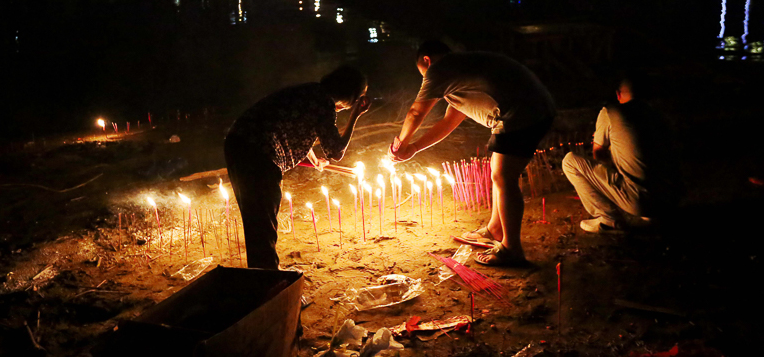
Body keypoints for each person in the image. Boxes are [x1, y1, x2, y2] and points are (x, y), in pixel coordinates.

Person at [389, 41, 555, 267]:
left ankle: (511, 248)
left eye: (422, 73)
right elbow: (449, 121)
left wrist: (400, 144)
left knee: (504, 177)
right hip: (530, 110)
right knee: (500, 175)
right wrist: (414, 148)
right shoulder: (462, 74)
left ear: (427, 60)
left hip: (521, 114)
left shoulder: (441, 68)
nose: (425, 79)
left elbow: (416, 111)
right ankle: (496, 229)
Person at [224, 65, 371, 269]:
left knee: (257, 221)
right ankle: (270, 286)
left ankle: (262, 278)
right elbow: (336, 151)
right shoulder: (322, 102)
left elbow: (296, 128)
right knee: (262, 224)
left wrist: (312, 158)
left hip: (238, 144)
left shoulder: (310, 91)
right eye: (357, 98)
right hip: (258, 152)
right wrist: (355, 115)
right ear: (350, 95)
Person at [562, 74, 679, 232]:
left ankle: (608, 217)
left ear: (618, 94)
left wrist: (610, 177)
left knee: (570, 161)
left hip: (640, 201)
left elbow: (598, 153)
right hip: (671, 199)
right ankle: (652, 214)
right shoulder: (657, 115)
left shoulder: (611, 112)